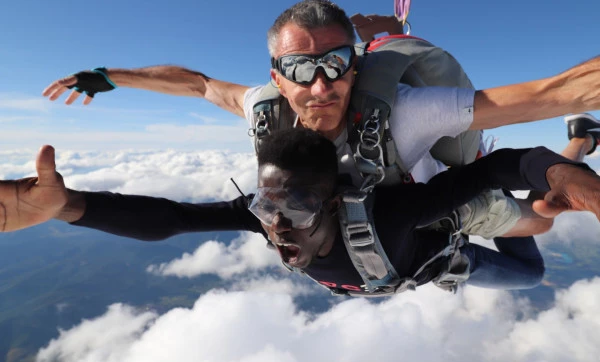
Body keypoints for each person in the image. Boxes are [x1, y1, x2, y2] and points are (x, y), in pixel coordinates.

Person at [41, 0, 600, 242]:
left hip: (446, 201)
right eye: (300, 68)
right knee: (537, 233)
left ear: (356, 71)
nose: (320, 85)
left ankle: (577, 145)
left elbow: (547, 93)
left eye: (335, 65)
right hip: (393, 220)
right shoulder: (264, 104)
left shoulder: (407, 114)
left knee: (539, 226)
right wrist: (111, 75)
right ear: (276, 76)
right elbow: (199, 84)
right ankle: (580, 144)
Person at [2, 128, 599, 295]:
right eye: (265, 202)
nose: (276, 223)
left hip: (447, 252)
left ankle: (577, 148)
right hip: (397, 272)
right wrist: (72, 208)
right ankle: (567, 166)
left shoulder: (390, 212)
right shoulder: (267, 216)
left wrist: (562, 172)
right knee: (540, 212)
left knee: (534, 255)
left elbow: (492, 168)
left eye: (295, 204)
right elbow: (173, 218)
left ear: (336, 202)